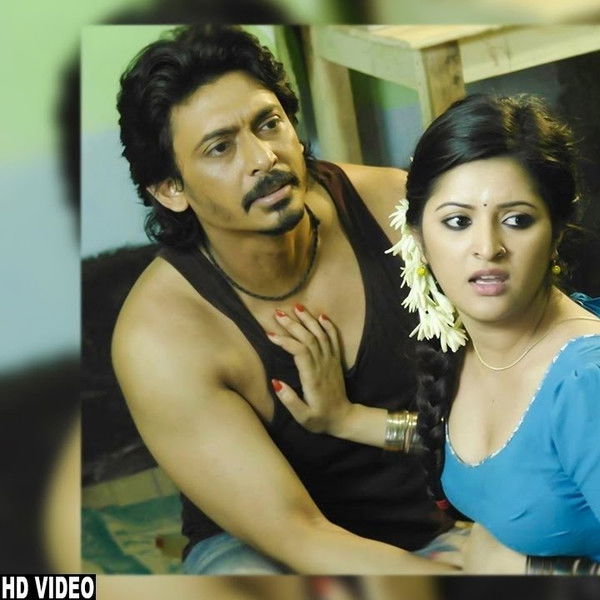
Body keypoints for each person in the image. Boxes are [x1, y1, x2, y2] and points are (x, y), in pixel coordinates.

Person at [112, 24, 462, 575]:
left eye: (268, 123)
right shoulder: (161, 336)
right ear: (171, 189)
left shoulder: (395, 210)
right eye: (220, 147)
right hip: (275, 551)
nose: (262, 157)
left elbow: (518, 395)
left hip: (450, 513)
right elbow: (299, 534)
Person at [269, 94, 600, 574]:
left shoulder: (586, 381)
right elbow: (483, 446)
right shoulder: (467, 343)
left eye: (517, 220)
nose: (487, 248)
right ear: (418, 236)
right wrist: (343, 418)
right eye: (458, 222)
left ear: (557, 232)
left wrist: (526, 568)